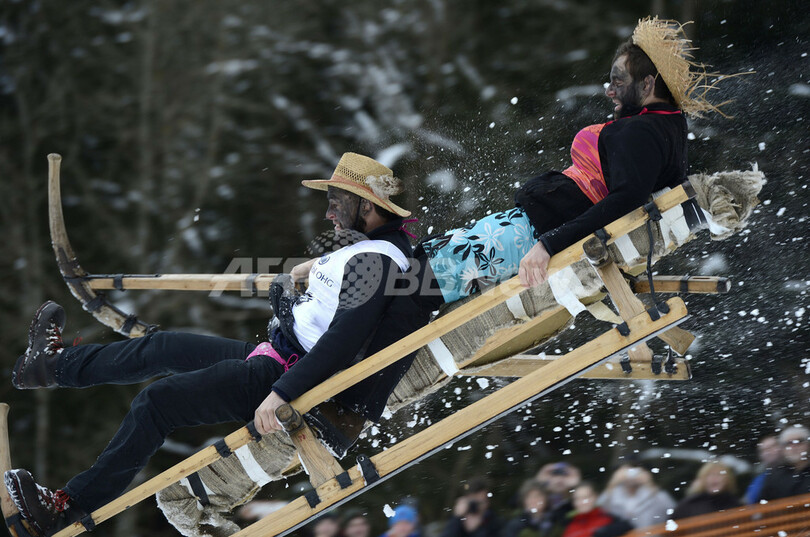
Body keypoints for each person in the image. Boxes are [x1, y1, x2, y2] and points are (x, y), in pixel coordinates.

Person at [5, 152, 429, 537]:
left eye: (338, 201)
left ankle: (66, 507)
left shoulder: (375, 260)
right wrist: (307, 272)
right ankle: (50, 365)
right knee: (161, 346)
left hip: (283, 375)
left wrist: (280, 394)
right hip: (276, 354)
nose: (329, 210)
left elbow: (343, 342)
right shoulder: (367, 250)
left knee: (159, 403)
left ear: (367, 208)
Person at [416, 16, 731, 309]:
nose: (609, 91)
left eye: (619, 82)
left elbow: (626, 199)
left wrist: (548, 244)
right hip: (529, 229)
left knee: (415, 280)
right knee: (415, 273)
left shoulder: (642, 131)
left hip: (528, 235)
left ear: (647, 85)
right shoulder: (668, 125)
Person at [597, 465, 675, 529]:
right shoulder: (614, 495)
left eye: (634, 472)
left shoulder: (651, 493)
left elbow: (671, 508)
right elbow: (598, 508)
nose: (631, 477)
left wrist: (649, 484)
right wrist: (613, 482)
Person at [671, 461, 742, 520]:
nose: (714, 478)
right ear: (702, 480)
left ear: (727, 480)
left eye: (719, 475)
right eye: (709, 475)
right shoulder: (689, 505)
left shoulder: (735, 504)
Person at [561, 482, 632, 537]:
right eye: (577, 499)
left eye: (586, 498)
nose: (582, 503)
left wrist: (600, 533)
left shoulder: (609, 518)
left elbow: (628, 526)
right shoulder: (570, 525)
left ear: (595, 497)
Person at [759, 425, 810, 501]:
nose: (794, 447)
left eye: (799, 441)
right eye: (789, 443)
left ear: (808, 444)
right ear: (782, 448)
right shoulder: (774, 475)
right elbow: (764, 506)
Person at [535, 462, 581, 532]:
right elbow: (518, 505)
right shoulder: (541, 503)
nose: (559, 480)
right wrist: (538, 484)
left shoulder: (575, 503)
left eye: (564, 475)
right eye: (555, 475)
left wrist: (577, 486)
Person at [744, 434, 783, 504]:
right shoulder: (759, 481)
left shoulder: (796, 470)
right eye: (764, 450)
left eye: (772, 446)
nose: (768, 452)